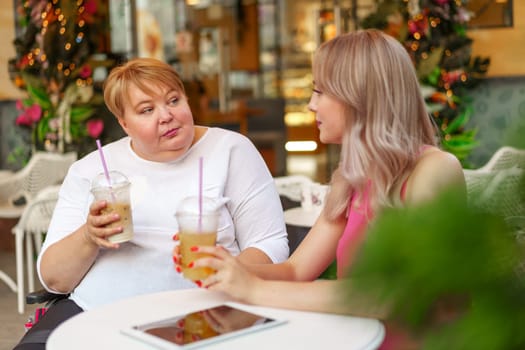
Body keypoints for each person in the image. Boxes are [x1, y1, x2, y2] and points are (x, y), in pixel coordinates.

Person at [177, 29, 466, 349]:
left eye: (321, 91)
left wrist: (254, 290)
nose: (311, 104)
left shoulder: (435, 170)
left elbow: (400, 293)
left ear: (361, 97)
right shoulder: (352, 178)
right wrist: (227, 269)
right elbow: (295, 270)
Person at [14, 57, 289, 350]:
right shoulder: (91, 169)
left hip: (208, 316)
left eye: (173, 100)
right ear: (124, 123)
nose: (166, 115)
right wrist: (89, 236)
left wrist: (228, 270)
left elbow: (270, 243)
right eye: (147, 110)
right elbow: (54, 280)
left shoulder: (232, 151)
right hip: (99, 318)